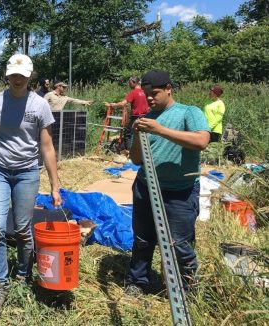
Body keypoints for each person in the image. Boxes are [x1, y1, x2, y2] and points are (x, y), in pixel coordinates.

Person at [0, 54, 62, 316]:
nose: (17, 79)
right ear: (7, 75)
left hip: (28, 172)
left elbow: (47, 146)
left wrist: (54, 185)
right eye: (13, 75)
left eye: (23, 75)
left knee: (21, 228)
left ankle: (22, 271)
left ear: (30, 76)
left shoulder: (40, 105)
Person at [125, 70, 210, 295]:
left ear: (169, 88)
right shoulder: (145, 120)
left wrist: (160, 130)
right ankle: (138, 281)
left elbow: (201, 141)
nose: (150, 98)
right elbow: (136, 159)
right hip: (146, 187)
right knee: (143, 239)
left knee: (180, 243)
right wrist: (136, 135)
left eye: (155, 93)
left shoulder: (188, 113)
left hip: (180, 192)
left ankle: (187, 290)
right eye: (146, 94)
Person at [106, 76, 148, 150]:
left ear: (133, 82)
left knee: (128, 134)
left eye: (129, 83)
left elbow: (123, 103)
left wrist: (113, 104)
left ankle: (129, 152)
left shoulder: (133, 92)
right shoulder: (145, 92)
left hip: (136, 117)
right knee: (141, 135)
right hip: (145, 116)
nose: (129, 85)